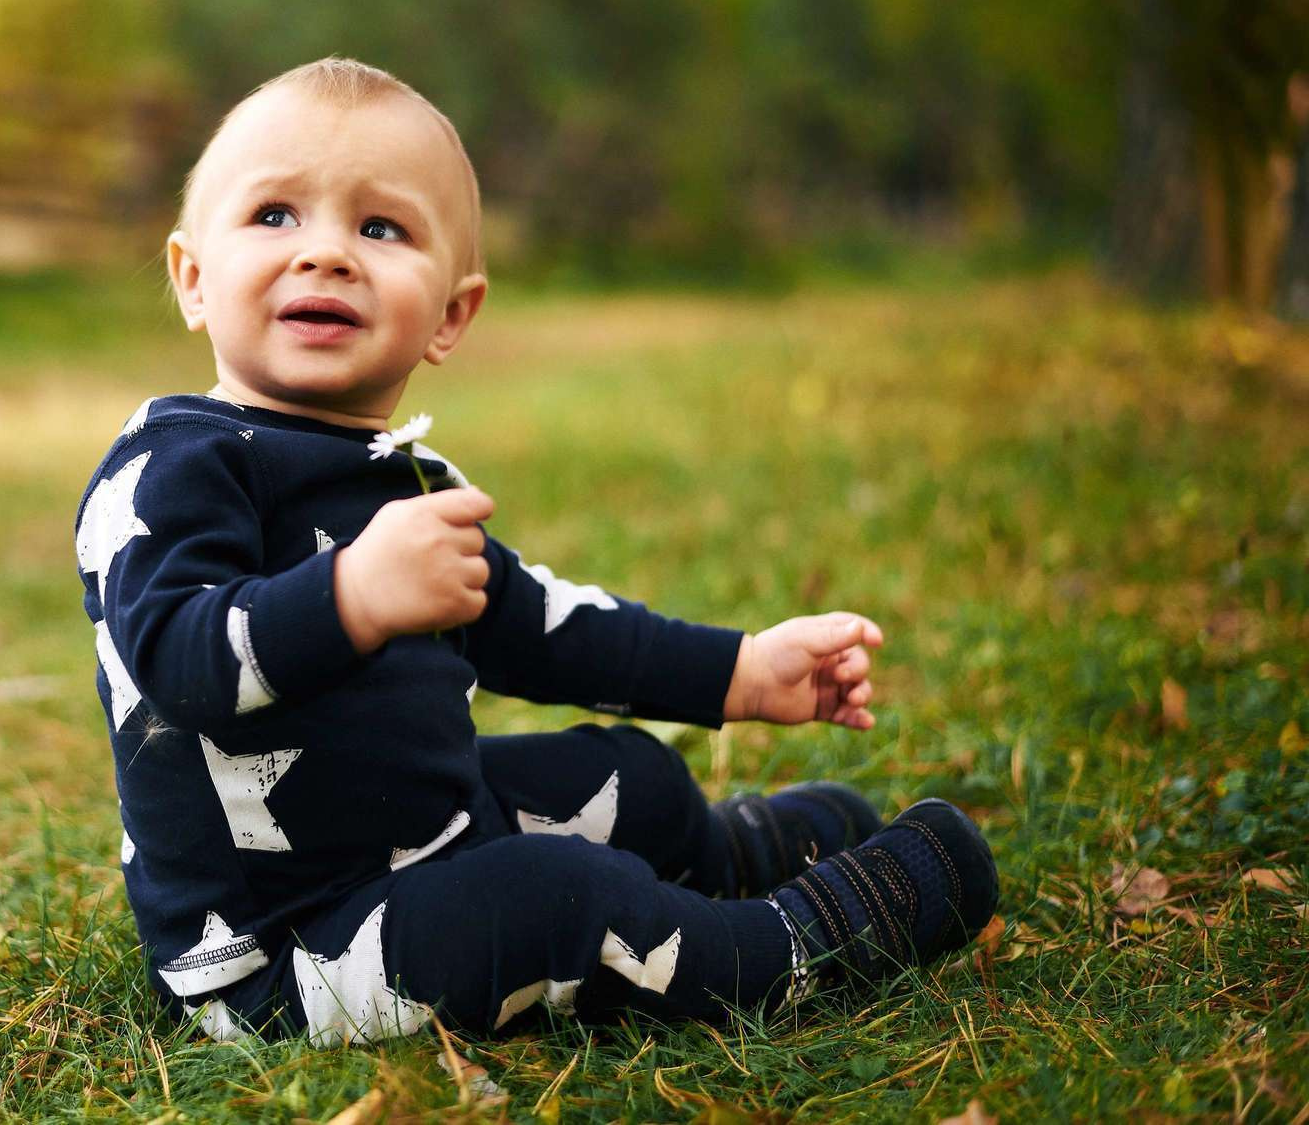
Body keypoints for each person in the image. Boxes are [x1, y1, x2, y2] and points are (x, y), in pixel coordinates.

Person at [72, 56, 997, 1046]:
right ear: (192, 279)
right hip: (287, 952)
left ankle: (723, 853)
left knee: (622, 777)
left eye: (379, 228)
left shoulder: (405, 475)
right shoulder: (167, 468)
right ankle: (774, 948)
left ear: (450, 315)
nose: (326, 254)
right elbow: (173, 659)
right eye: (273, 216)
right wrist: (348, 594)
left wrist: (738, 671)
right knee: (558, 895)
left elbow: (541, 630)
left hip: (424, 840)